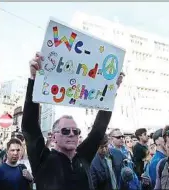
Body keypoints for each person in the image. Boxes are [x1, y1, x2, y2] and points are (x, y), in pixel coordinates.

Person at [21, 52, 124, 190]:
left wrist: (112, 91)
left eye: (76, 131)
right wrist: (34, 79)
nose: (71, 134)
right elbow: (30, 127)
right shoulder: (42, 159)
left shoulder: (84, 157)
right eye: (65, 130)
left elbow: (98, 130)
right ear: (54, 136)